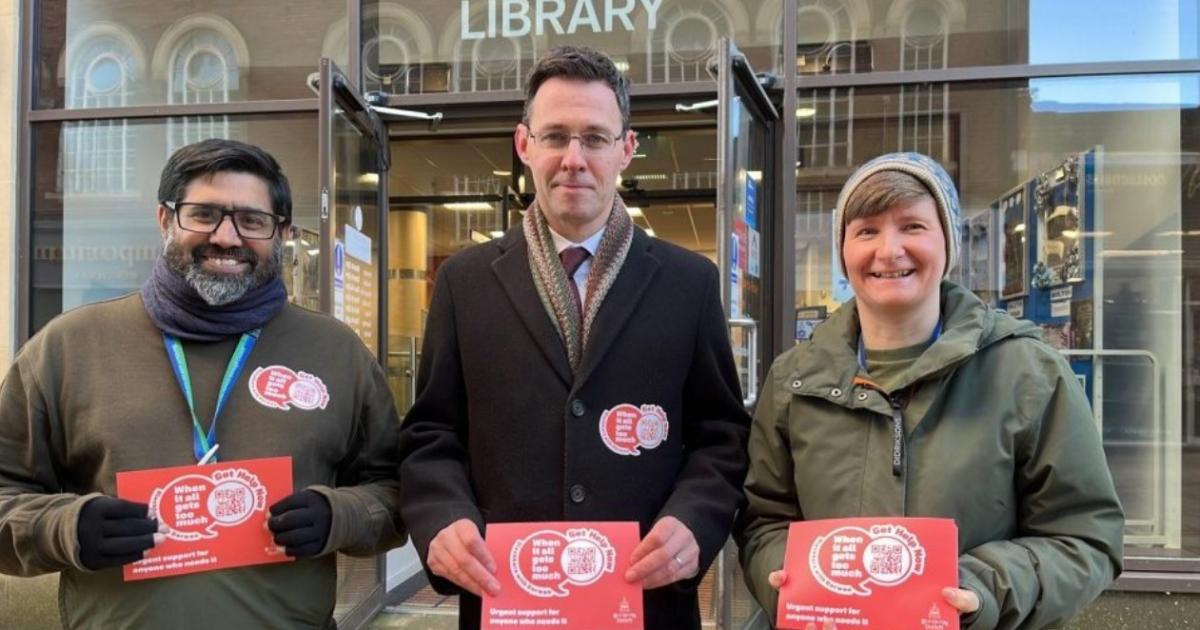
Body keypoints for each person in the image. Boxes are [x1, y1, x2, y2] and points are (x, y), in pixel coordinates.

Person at [398, 46, 751, 629]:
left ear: (626, 149)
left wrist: (695, 519)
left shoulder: (688, 283)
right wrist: (442, 517)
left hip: (646, 602)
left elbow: (722, 434)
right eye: (556, 136)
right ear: (524, 144)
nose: (574, 158)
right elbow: (431, 432)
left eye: (594, 138)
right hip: (510, 600)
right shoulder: (464, 282)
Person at [0, 139, 405, 628]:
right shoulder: (68, 347)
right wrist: (66, 528)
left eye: (252, 220)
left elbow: (396, 493)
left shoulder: (337, 352)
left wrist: (339, 515)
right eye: (204, 214)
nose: (227, 237)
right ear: (165, 219)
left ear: (282, 233)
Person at [735, 152, 1124, 630]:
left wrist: (984, 589)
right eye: (866, 231)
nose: (889, 250)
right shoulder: (793, 380)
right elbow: (763, 519)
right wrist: (788, 581)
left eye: (913, 226)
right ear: (844, 251)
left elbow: (1084, 536)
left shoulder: (1028, 373)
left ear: (948, 243)